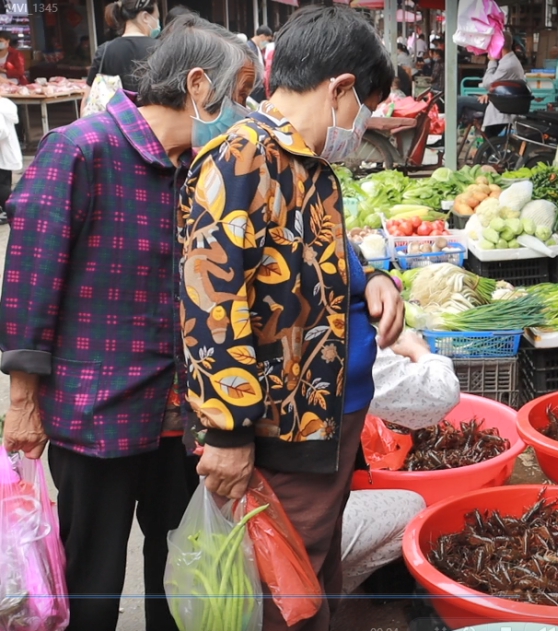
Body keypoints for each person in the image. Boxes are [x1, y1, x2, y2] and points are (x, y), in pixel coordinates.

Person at [0, 14, 257, 631]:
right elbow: (30, 284)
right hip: (98, 420)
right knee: (93, 579)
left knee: (179, 576)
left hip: (181, 423)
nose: (245, 113)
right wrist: (22, 401)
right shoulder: (81, 151)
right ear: (199, 86)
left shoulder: (202, 170)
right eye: (240, 96)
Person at [177, 6, 401, 631]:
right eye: (366, 109)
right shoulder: (241, 160)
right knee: (285, 595)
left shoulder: (308, 167)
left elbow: (325, 258)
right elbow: (211, 306)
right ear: (342, 89)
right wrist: (226, 434)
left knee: (312, 575)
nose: (363, 126)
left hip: (326, 418)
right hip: (282, 431)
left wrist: (378, 279)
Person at [342, 329, 460, 593]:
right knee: (415, 509)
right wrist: (418, 350)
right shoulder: (337, 337)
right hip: (280, 526)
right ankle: (314, 595)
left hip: (236, 511)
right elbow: (438, 395)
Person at [86, 0, 161, 97]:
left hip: (114, 112)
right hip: (151, 112)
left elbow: (87, 99)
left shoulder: (104, 50)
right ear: (145, 17)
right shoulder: (162, 48)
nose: (157, 23)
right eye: (156, 17)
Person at [479, 30, 526, 137]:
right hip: (500, 101)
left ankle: (447, 143)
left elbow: (488, 83)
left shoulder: (508, 64)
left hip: (501, 106)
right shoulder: (509, 61)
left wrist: (492, 62)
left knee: (459, 102)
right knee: (489, 138)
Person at [0, 95, 19, 226]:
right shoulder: (5, 104)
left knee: (2, 186)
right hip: (6, 153)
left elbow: (1, 131)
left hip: (2, 152)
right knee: (5, 182)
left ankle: (11, 212)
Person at [248, 25, 273, 101]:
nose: (267, 43)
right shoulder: (249, 48)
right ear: (262, 36)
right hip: (254, 87)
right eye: (267, 40)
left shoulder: (256, 47)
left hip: (258, 86)